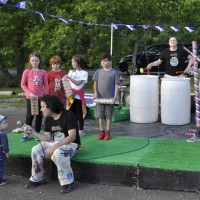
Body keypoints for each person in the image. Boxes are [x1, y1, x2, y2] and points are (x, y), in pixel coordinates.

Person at [23, 94, 80, 193]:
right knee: (36, 149)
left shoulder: (68, 115)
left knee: (58, 152)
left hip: (72, 145)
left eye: (42, 107)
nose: (41, 110)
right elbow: (47, 138)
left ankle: (68, 182)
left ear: (51, 106)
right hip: (55, 144)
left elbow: (72, 137)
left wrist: (54, 147)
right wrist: (32, 131)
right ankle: (38, 178)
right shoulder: (48, 118)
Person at [21, 52, 49, 141]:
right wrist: (29, 93)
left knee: (40, 116)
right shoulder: (27, 71)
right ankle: (26, 133)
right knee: (30, 116)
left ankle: (37, 133)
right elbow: (23, 84)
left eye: (36, 60)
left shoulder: (43, 72)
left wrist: (45, 96)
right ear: (30, 61)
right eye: (32, 61)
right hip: (31, 98)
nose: (34, 62)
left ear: (39, 61)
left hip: (41, 98)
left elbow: (46, 85)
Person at [92, 53, 120, 140]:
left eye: (105, 61)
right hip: (100, 98)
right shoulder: (98, 71)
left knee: (109, 116)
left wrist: (115, 96)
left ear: (110, 61)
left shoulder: (114, 72)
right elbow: (95, 83)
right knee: (100, 115)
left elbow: (116, 85)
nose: (103, 63)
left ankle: (107, 132)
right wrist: (95, 92)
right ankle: (101, 132)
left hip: (109, 98)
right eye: (102, 61)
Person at [63, 55, 88, 138]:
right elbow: (68, 84)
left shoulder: (84, 73)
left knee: (80, 115)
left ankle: (81, 130)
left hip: (79, 97)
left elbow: (78, 83)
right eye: (72, 62)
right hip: (71, 96)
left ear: (78, 62)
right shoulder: (71, 72)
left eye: (74, 62)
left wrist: (69, 77)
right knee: (70, 114)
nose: (72, 63)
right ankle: (71, 130)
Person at [0, 115, 9, 186]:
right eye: (5, 123)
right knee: (1, 166)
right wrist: (6, 152)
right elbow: (4, 145)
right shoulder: (2, 134)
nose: (7, 124)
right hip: (0, 153)